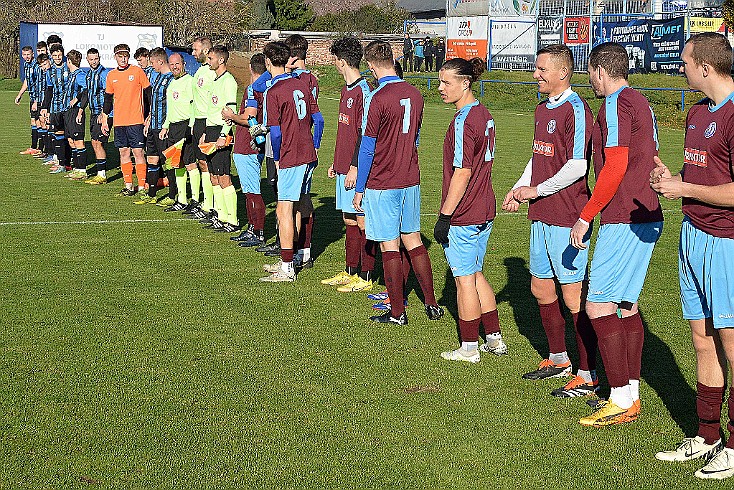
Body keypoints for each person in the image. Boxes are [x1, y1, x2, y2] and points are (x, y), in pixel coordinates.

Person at [651, 32, 734, 481]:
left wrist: (686, 188)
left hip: (727, 242)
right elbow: (700, 172)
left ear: (705, 66)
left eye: (684, 61)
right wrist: (673, 176)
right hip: (692, 235)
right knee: (701, 339)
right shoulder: (697, 112)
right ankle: (706, 435)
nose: (680, 67)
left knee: (731, 345)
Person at [570, 42, 663, 427]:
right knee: (626, 304)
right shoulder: (641, 101)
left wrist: (586, 215)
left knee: (598, 305)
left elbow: (616, 165)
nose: (589, 80)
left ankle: (620, 396)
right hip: (647, 213)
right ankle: (631, 396)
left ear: (598, 71)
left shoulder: (615, 103)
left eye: (589, 73)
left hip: (624, 215)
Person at [502, 45, 598, 397]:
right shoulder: (542, 109)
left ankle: (587, 374)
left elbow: (577, 166)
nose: (535, 75)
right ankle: (558, 359)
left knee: (573, 297)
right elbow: (537, 156)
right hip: (541, 212)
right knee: (540, 288)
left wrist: (537, 190)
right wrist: (518, 189)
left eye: (541, 69)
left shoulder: (577, 109)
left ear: (562, 72)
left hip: (567, 214)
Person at [353, 40, 444, 324]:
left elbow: (368, 147)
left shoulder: (376, 97)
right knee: (413, 238)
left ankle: (397, 312)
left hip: (383, 180)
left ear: (370, 65)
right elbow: (415, 138)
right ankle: (431, 303)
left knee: (389, 245)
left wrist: (359, 189)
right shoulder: (416, 94)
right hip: (410, 178)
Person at [435, 57, 506, 362]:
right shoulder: (484, 113)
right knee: (476, 274)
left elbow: (462, 171)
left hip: (465, 211)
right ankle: (494, 338)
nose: (440, 88)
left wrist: (445, 216)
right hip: (484, 206)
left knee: (463, 279)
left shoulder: (464, 119)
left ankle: (469, 347)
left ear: (465, 83)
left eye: (446, 82)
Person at [260, 41, 324, 282]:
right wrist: (314, 144)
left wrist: (277, 157)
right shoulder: (302, 85)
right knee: (301, 203)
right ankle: (298, 254)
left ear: (268, 62)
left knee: (283, 209)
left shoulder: (272, 91)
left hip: (290, 155)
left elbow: (274, 133)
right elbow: (319, 120)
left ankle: (287, 268)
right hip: (307, 153)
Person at [320, 36, 376, 293]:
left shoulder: (364, 91)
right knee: (349, 219)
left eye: (334, 60)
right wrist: (337, 162)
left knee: (362, 220)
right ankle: (351, 270)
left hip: (357, 168)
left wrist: (354, 166)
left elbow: (365, 134)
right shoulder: (345, 90)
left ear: (342, 62)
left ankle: (367, 275)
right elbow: (345, 131)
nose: (334, 64)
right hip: (343, 165)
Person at [224, 53, 271, 246]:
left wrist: (232, 116)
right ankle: (252, 228)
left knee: (252, 190)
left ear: (251, 68)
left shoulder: (254, 89)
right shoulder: (266, 88)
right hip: (253, 144)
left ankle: (258, 231)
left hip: (248, 144)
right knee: (249, 189)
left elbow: (249, 117)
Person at [284, 34, 319, 269]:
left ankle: (299, 251)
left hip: (294, 147)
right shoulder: (312, 80)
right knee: (298, 199)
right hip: (304, 145)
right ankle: (299, 250)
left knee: (293, 201)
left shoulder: (295, 80)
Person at [101, 43, 151, 196]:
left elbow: (149, 94)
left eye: (125, 56)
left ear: (128, 57)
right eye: (120, 56)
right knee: (123, 152)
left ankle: (142, 186)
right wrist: (104, 119)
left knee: (138, 152)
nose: (123, 59)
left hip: (136, 120)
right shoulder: (111, 75)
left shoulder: (137, 72)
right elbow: (108, 99)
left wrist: (149, 115)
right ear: (115, 57)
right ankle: (128, 185)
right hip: (119, 122)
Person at [199, 45, 240, 233]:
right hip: (211, 131)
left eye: (211, 58)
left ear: (221, 60)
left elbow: (230, 112)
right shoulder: (215, 80)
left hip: (221, 133)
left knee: (224, 176)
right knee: (214, 176)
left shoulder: (229, 81)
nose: (208, 61)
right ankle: (220, 216)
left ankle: (232, 220)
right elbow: (214, 110)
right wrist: (206, 133)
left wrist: (224, 134)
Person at [135, 48, 174, 204]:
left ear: (160, 61)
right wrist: (149, 118)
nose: (151, 65)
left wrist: (167, 125)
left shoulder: (172, 79)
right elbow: (154, 102)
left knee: (168, 161)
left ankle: (173, 195)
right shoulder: (157, 77)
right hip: (153, 125)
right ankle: (151, 194)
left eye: (152, 62)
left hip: (163, 127)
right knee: (151, 159)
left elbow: (172, 104)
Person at [159, 52, 195, 212]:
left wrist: (190, 126)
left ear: (183, 64)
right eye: (172, 64)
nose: (174, 67)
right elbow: (171, 109)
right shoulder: (172, 84)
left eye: (177, 64)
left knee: (190, 163)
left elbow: (195, 105)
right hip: (173, 127)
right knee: (177, 163)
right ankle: (181, 199)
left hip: (185, 125)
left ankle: (194, 199)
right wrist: (166, 126)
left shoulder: (190, 82)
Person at [186, 37, 215, 221]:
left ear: (205, 51)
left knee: (208, 164)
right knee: (202, 163)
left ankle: (211, 205)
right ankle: (205, 202)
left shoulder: (212, 73)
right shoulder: (200, 71)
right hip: (197, 121)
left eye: (195, 50)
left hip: (207, 121)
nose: (193, 53)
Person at [82, 48, 112, 185]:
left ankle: (102, 175)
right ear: (87, 60)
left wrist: (103, 113)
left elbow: (109, 95)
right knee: (94, 142)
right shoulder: (88, 75)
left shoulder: (104, 74)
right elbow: (88, 94)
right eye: (91, 59)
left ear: (99, 58)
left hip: (104, 114)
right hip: (94, 113)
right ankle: (100, 173)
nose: (94, 62)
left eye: (96, 59)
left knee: (99, 142)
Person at [42, 43, 71, 174]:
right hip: (55, 107)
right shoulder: (50, 71)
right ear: (51, 57)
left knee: (69, 136)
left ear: (63, 55)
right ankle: (61, 163)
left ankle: (68, 163)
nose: (57, 58)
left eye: (59, 55)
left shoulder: (69, 68)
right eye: (55, 56)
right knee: (58, 134)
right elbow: (49, 90)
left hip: (69, 107)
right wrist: (45, 107)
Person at [62, 50, 90, 181]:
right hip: (68, 111)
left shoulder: (80, 75)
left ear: (68, 61)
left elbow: (87, 89)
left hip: (76, 111)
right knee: (70, 140)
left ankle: (82, 170)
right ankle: (76, 168)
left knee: (78, 141)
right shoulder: (71, 74)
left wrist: (77, 99)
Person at [16, 46, 42, 156]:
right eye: (24, 55)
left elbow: (39, 84)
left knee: (39, 122)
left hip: (38, 98)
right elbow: (27, 80)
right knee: (34, 122)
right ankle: (34, 147)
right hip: (32, 97)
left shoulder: (37, 66)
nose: (26, 57)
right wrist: (20, 94)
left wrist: (36, 101)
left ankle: (39, 148)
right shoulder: (26, 65)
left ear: (33, 54)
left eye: (28, 54)